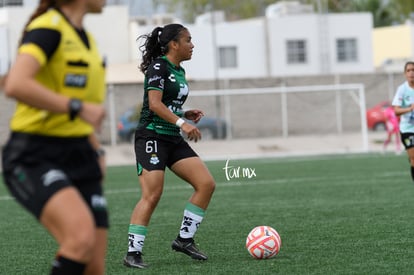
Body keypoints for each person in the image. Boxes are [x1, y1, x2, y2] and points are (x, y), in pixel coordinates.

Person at [2, 0, 108, 274]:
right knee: (79, 238)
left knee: (94, 265)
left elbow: (81, 113)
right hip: (34, 154)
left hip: (79, 153)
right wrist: (77, 107)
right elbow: (15, 83)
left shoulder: (87, 39)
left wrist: (96, 151)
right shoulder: (48, 29)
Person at [123, 23, 216, 269]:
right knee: (152, 194)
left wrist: (185, 112)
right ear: (174, 44)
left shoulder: (179, 70)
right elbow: (154, 104)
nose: (192, 45)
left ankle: (184, 240)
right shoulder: (158, 67)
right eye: (188, 40)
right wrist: (182, 123)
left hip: (171, 137)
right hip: (151, 137)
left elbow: (167, 102)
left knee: (206, 184)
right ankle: (133, 253)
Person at [392, 61, 414, 181]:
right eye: (408, 70)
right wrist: (410, 108)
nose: (411, 73)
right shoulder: (402, 89)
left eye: (413, 70)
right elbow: (396, 111)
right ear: (405, 74)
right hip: (408, 129)